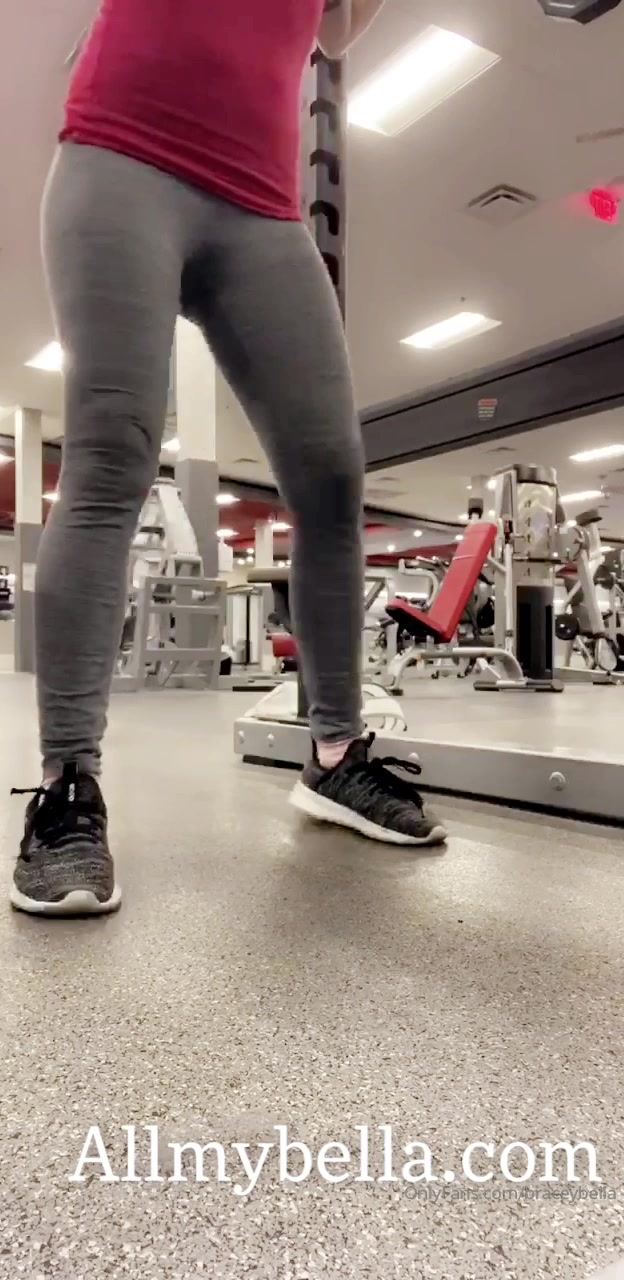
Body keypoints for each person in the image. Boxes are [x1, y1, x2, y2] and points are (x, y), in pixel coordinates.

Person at [11, 0, 447, 918]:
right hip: (123, 152)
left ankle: (334, 757)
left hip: (262, 208)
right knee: (112, 450)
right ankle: (66, 787)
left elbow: (337, 30)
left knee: (332, 478)